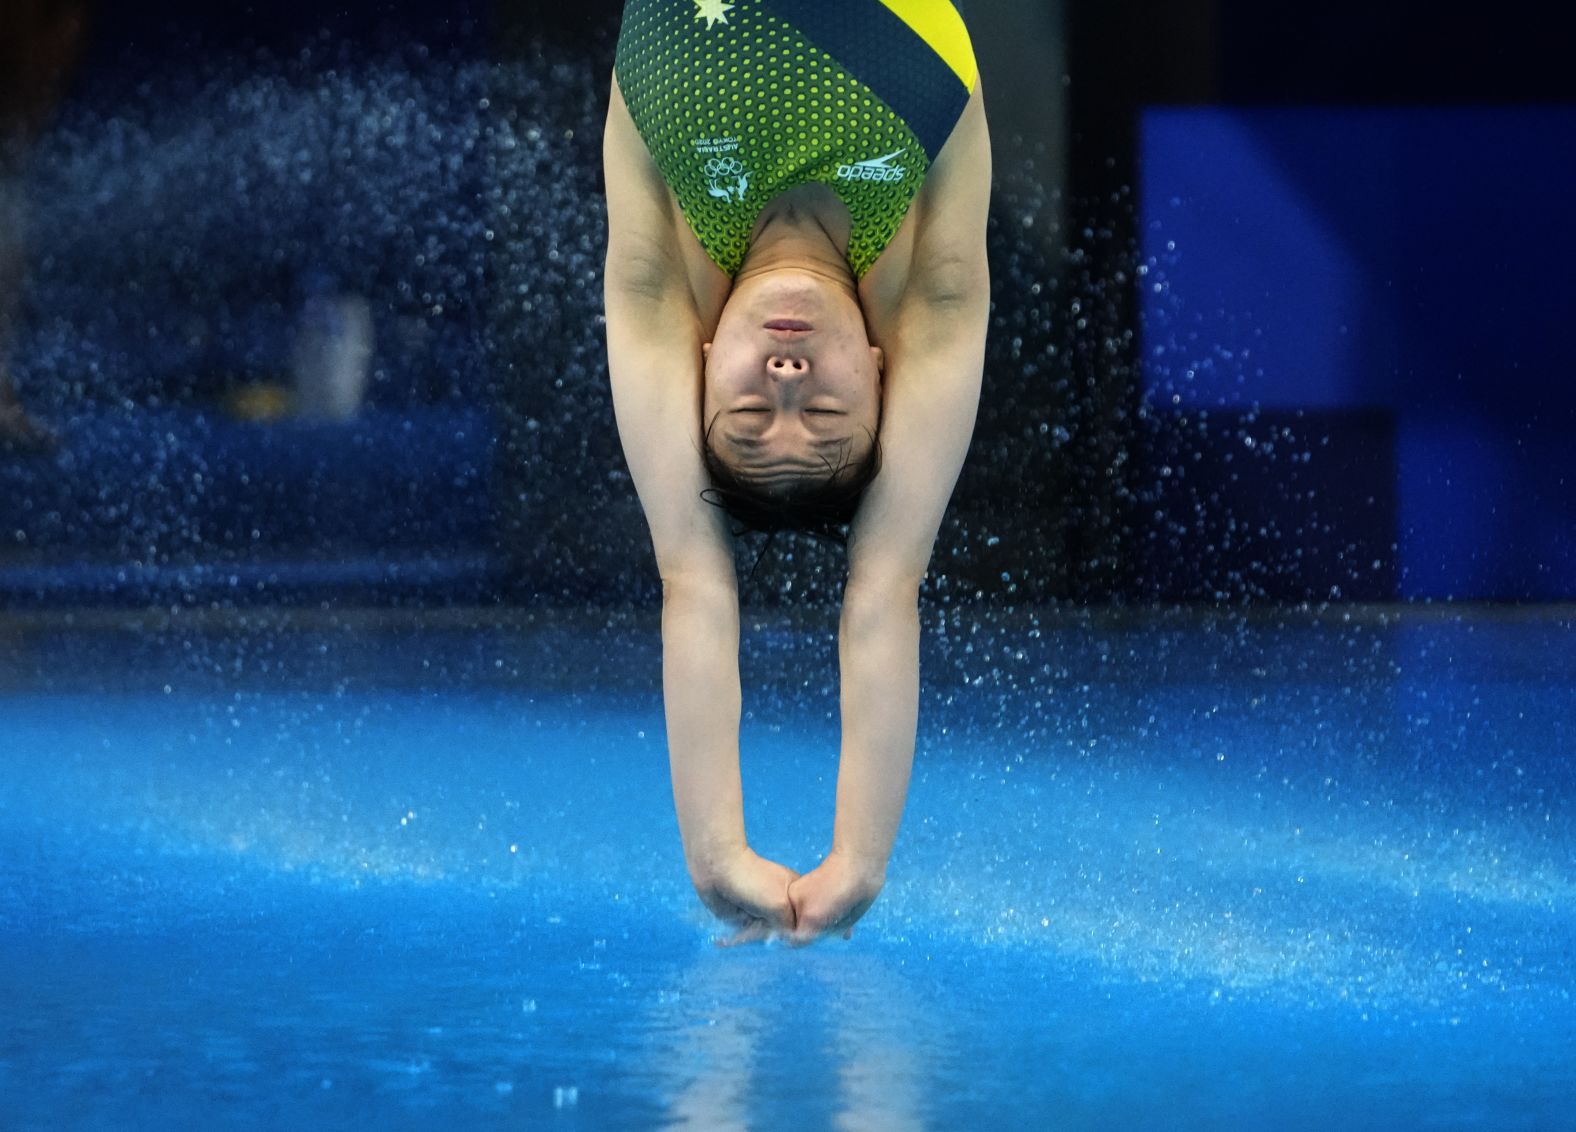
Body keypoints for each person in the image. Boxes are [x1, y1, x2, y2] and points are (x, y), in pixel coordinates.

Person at [602, 0, 989, 944]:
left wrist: (715, 851)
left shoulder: (661, 285)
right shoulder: (930, 292)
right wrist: (859, 858)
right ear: (882, 369)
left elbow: (691, 574)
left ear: (695, 369)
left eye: (748, 413)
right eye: (822, 413)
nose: (786, 380)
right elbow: (886, 583)